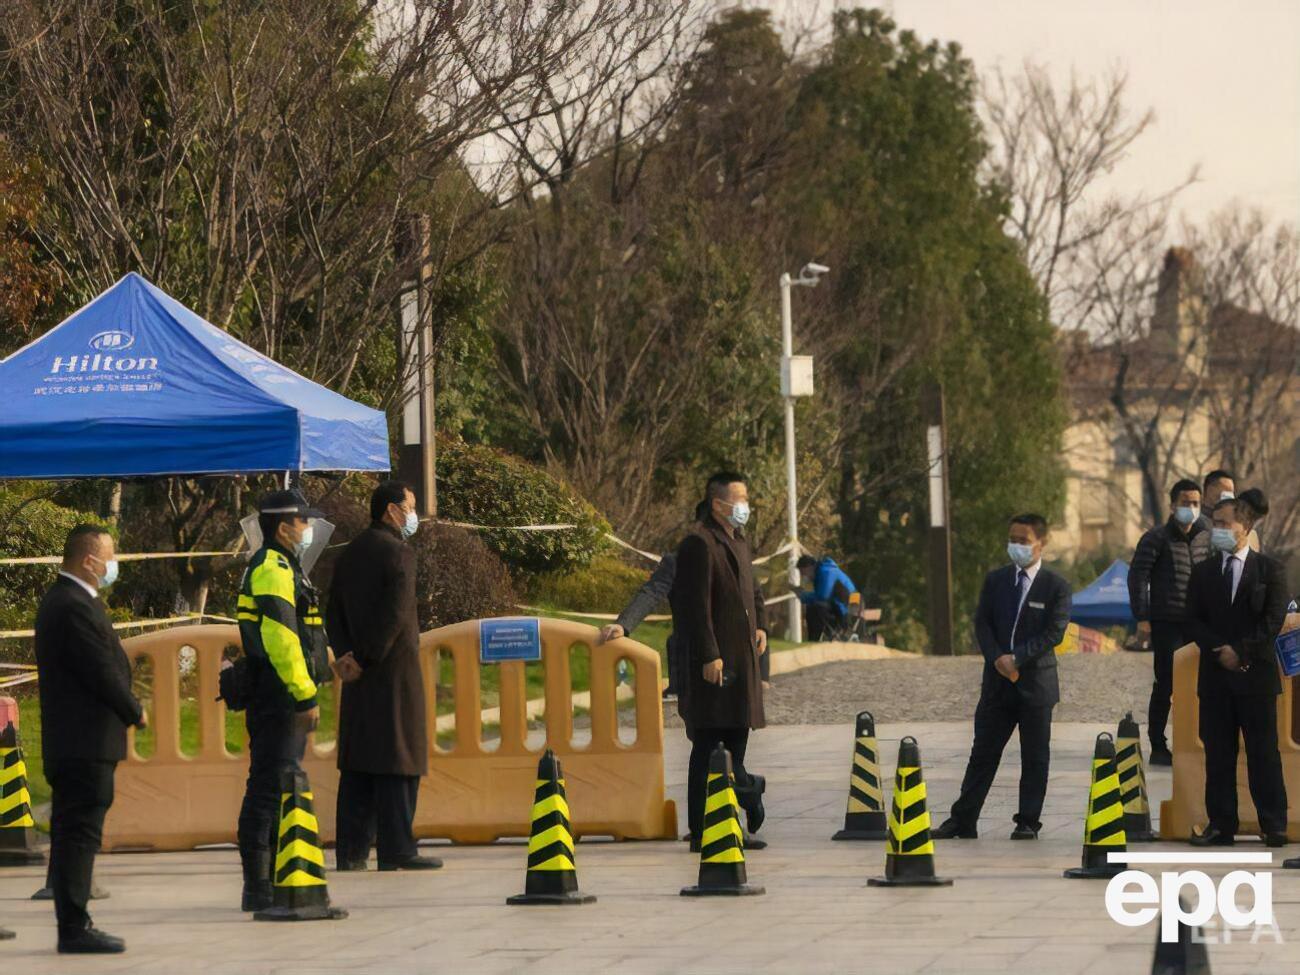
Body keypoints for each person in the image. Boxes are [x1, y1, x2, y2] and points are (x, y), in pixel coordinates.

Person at [34, 525, 145, 954]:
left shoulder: (74, 601)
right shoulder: (70, 604)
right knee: (78, 834)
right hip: (82, 741)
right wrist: (134, 710)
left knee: (75, 832)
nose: (113, 565)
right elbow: (99, 668)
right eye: (110, 556)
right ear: (89, 561)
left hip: (83, 740)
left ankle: (74, 921)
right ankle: (74, 926)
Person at [933, 514, 1071, 841]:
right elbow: (982, 623)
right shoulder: (995, 581)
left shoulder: (1056, 586)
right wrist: (997, 658)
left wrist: (1017, 658)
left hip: (1035, 686)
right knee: (982, 754)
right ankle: (963, 820)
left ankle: (1027, 822)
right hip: (997, 684)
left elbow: (1055, 633)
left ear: (1042, 543)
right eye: (1013, 539)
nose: (1016, 545)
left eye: (1023, 540)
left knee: (1034, 757)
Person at [327, 481, 440, 872]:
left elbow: (333, 609)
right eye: (410, 507)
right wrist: (367, 656)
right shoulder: (399, 553)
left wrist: (346, 656)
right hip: (391, 671)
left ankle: (352, 851)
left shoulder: (351, 551)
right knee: (399, 758)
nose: (414, 515)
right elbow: (395, 615)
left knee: (359, 763)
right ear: (392, 511)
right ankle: (398, 848)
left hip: (356, 677)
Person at [235, 489, 332, 911]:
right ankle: (258, 884)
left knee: (274, 784)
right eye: (303, 521)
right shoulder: (272, 568)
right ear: (283, 526)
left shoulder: (284, 565)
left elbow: (302, 630)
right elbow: (281, 638)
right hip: (278, 694)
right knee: (268, 787)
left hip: (279, 691)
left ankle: (269, 877)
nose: (308, 529)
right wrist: (304, 693)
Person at [1184, 493, 1289, 847]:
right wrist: (1220, 650)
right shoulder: (1203, 572)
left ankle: (1273, 824)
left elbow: (1272, 620)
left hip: (1255, 677)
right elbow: (1192, 620)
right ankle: (1221, 824)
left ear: (1246, 526)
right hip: (1215, 679)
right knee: (1218, 755)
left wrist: (1241, 651)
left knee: (1264, 754)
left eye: (1226, 523)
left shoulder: (1270, 570)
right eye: (1216, 523)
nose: (1219, 529)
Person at [674, 471, 768, 850]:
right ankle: (703, 829)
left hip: (741, 660)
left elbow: (753, 591)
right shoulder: (699, 543)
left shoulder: (738, 541)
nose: (745, 506)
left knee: (735, 743)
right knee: (709, 748)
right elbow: (695, 608)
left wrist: (761, 625)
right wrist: (709, 654)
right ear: (718, 503)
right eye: (739, 498)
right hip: (715, 664)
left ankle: (731, 822)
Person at [1127, 478, 1211, 766]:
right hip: (1167, 623)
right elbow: (1138, 577)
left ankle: (1197, 741)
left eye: (1196, 503)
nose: (1191, 508)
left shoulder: (1206, 536)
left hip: (1199, 624)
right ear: (1173, 505)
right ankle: (1158, 745)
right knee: (1166, 685)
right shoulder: (1156, 538)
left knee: (1202, 686)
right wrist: (1143, 618)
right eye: (1186, 502)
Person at [598, 551, 680, 700]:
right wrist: (623, 625)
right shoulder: (678, 559)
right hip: (690, 654)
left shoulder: (736, 552)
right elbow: (652, 592)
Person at [796, 553, 858, 641]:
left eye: (803, 572)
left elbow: (823, 596)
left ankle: (835, 633)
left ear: (809, 567)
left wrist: (803, 596)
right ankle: (820, 638)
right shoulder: (820, 574)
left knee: (816, 607)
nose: (803, 576)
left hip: (851, 604)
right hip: (841, 604)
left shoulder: (826, 571)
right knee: (813, 608)